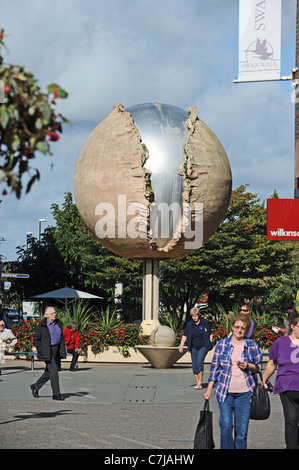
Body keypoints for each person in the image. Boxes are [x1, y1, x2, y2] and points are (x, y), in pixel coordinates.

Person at [204, 313, 263, 449]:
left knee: (241, 431)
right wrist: (208, 389)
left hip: (245, 393)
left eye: (243, 328)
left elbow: (259, 366)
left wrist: (249, 365)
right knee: (226, 425)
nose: (239, 330)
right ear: (232, 327)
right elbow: (215, 368)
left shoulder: (252, 345)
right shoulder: (222, 344)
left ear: (247, 330)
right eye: (237, 327)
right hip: (225, 392)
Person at [262, 314, 299, 449]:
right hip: (287, 388)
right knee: (291, 420)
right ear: (293, 326)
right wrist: (263, 380)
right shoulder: (280, 343)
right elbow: (272, 363)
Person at [30, 306, 66, 400]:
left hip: (56, 350)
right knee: (54, 371)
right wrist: (42, 349)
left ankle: (35, 386)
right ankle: (56, 394)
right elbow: (36, 340)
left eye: (55, 313)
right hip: (47, 351)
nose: (55, 314)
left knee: (49, 372)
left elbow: (61, 337)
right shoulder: (42, 326)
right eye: (53, 313)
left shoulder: (58, 323)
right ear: (47, 315)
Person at [179, 307, 213, 389]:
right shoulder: (190, 324)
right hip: (193, 346)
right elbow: (185, 335)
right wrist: (181, 346)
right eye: (193, 316)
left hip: (203, 345)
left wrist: (210, 342)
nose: (194, 318)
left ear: (198, 315)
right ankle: (197, 382)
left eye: (196, 316)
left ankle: (200, 383)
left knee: (199, 362)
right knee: (194, 364)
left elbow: (210, 333)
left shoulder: (204, 323)